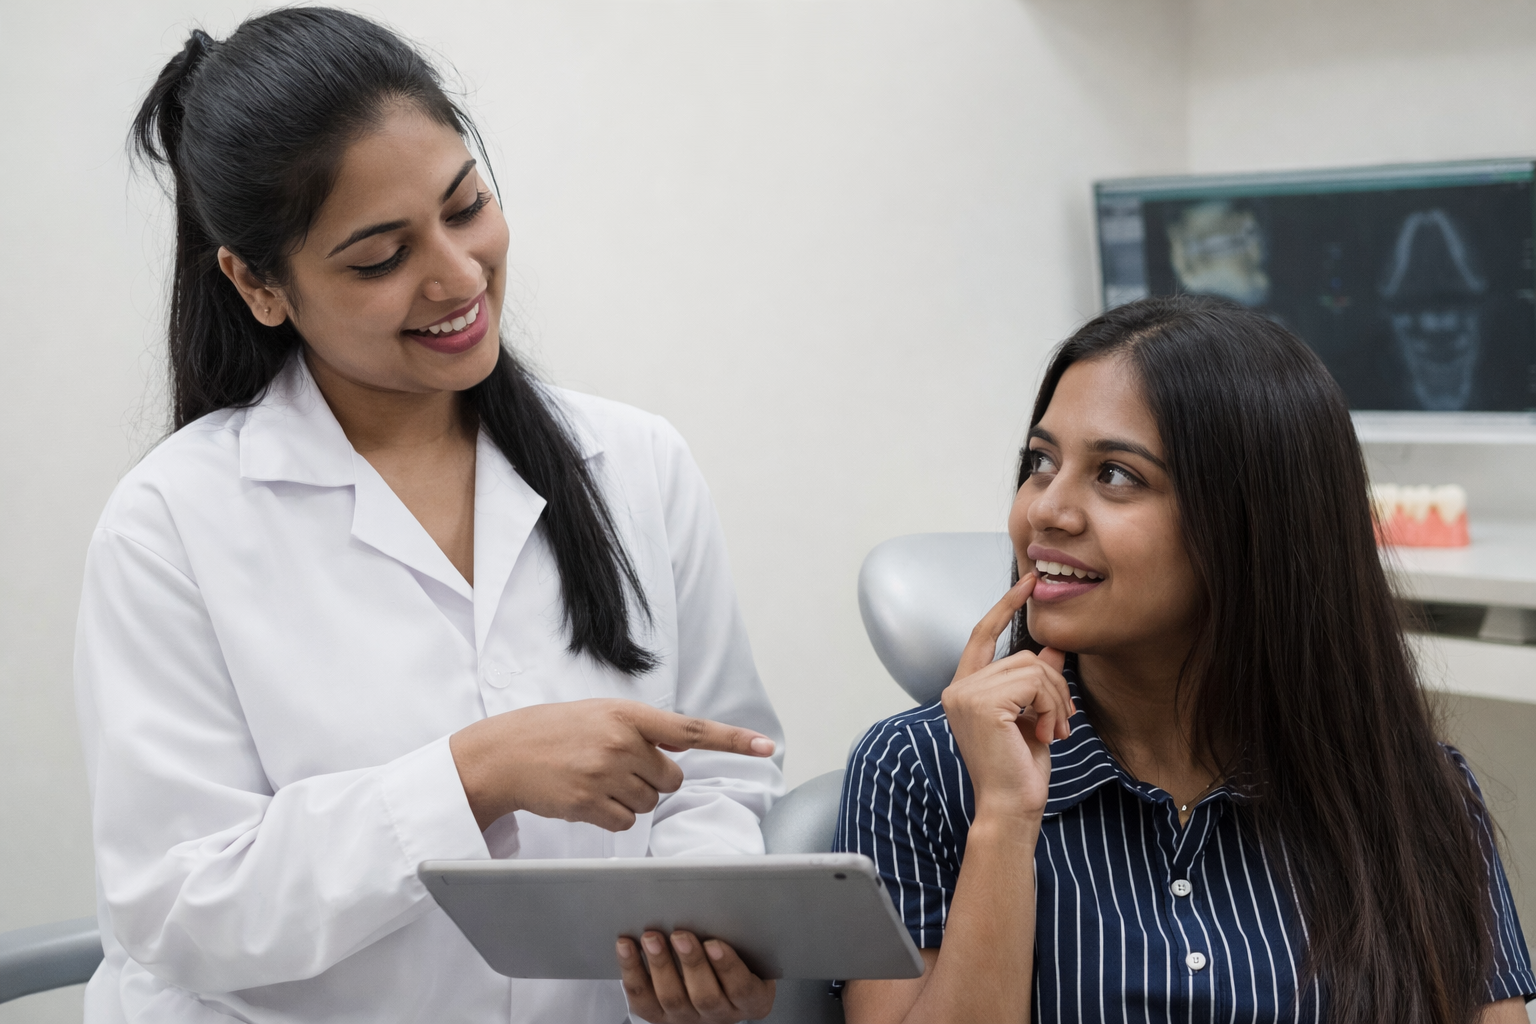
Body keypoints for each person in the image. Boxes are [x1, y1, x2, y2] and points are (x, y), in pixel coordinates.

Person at [76, 9, 781, 1023]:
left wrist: (704, 930)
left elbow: (719, 766)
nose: (456, 275)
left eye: (468, 207)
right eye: (379, 257)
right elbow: (181, 905)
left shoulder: (637, 465)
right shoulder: (172, 525)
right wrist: (475, 774)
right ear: (258, 284)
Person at [834, 295, 1535, 1023]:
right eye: (1041, 463)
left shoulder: (1415, 790)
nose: (1047, 510)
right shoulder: (917, 769)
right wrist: (1006, 820)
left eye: (1116, 475)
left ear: (1251, 525)